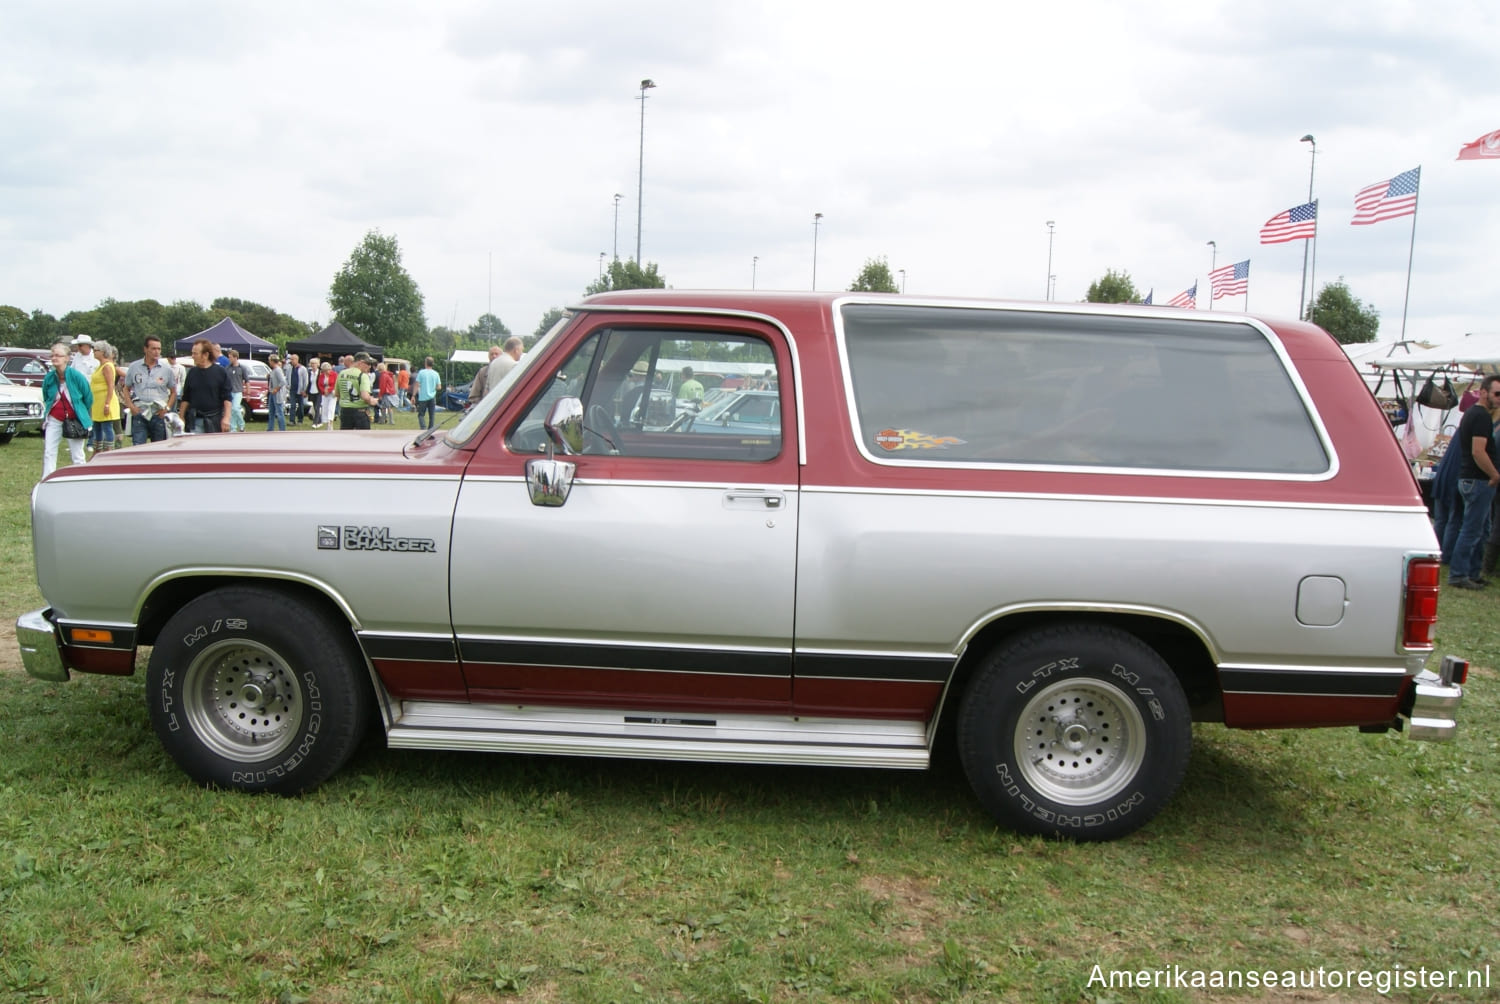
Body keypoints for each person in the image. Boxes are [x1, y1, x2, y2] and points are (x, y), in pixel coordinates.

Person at [1446, 374, 1500, 590]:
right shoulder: (1480, 416)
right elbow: (1478, 452)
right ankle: (1459, 574)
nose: (1499, 398)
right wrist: (1494, 474)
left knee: (1481, 529)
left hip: (1473, 479)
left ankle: (1472, 572)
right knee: (1472, 529)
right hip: (1478, 480)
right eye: (1497, 393)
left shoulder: (1475, 414)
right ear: (1484, 392)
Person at [42, 341, 93, 477]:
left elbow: (88, 397)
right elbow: (46, 395)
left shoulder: (76, 376)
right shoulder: (50, 377)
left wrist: (80, 412)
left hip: (74, 418)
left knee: (77, 453)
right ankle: (47, 478)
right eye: (52, 355)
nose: (54, 358)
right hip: (54, 417)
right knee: (49, 451)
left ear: (67, 358)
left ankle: (80, 478)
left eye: (58, 355)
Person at [122, 335, 178, 445]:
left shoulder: (166, 369)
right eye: (153, 348)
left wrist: (166, 408)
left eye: (159, 349)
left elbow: (173, 392)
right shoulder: (134, 367)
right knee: (138, 447)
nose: (157, 352)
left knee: (158, 448)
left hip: (158, 413)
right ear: (145, 349)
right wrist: (131, 407)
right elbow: (126, 389)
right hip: (140, 412)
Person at [179, 338, 232, 434]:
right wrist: (181, 417)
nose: (192, 356)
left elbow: (227, 397)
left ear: (206, 355)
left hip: (215, 420)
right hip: (195, 421)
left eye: (195, 353)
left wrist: (227, 418)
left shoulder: (220, 372)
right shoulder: (192, 373)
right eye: (192, 353)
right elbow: (186, 398)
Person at [87, 340, 121, 455]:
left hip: (106, 401)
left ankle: (108, 451)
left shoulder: (107, 366)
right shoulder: (100, 366)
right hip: (97, 402)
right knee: (97, 426)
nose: (93, 352)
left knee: (107, 426)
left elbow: (111, 385)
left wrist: (107, 403)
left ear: (103, 352)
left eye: (96, 350)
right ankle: (97, 451)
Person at [335, 352, 378, 429]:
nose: (369, 367)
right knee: (363, 438)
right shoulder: (362, 376)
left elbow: (337, 394)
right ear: (361, 362)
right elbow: (365, 396)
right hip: (360, 411)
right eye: (368, 364)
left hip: (345, 411)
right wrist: (372, 401)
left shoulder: (341, 373)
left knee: (346, 437)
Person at [414, 356, 442, 429]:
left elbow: (417, 384)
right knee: (432, 415)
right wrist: (433, 387)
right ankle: (430, 430)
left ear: (425, 363)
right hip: (432, 397)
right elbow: (439, 387)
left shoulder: (421, 372)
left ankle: (423, 428)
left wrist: (413, 395)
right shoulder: (436, 374)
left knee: (421, 415)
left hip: (423, 397)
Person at [226, 349, 249, 432]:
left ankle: (241, 424)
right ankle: (233, 427)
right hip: (230, 391)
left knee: (235, 408)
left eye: (230, 357)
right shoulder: (228, 368)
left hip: (238, 391)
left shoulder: (242, 368)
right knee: (232, 410)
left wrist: (248, 393)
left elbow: (247, 380)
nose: (229, 359)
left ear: (235, 357)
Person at [266, 354, 288, 431]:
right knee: (271, 412)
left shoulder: (278, 370)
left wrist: (277, 388)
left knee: (279, 412)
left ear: (272, 361)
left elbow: (283, 381)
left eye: (269, 361)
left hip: (277, 394)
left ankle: (282, 428)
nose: (269, 362)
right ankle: (270, 428)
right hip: (271, 393)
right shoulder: (273, 370)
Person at [287, 353, 309, 426]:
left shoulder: (303, 369)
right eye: (291, 359)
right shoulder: (289, 368)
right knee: (292, 405)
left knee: (301, 406)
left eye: (293, 359)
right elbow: (287, 378)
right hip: (292, 389)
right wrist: (288, 386)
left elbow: (306, 380)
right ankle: (292, 420)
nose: (291, 361)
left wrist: (304, 390)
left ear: (297, 360)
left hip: (300, 390)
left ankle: (300, 420)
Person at [315, 361, 337, 428]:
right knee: (325, 408)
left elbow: (335, 384)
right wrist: (324, 391)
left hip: (332, 393)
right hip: (324, 394)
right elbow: (319, 384)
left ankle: (330, 422)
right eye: (325, 370)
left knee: (331, 408)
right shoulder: (321, 376)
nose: (327, 372)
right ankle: (326, 422)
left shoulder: (334, 374)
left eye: (328, 370)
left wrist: (329, 390)